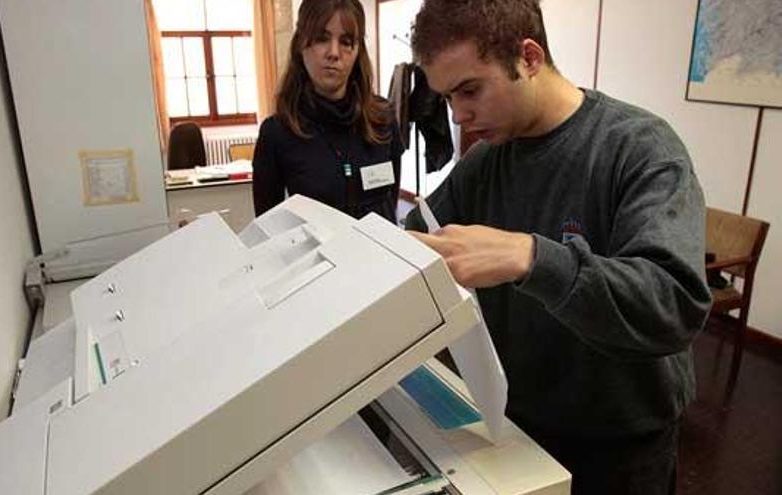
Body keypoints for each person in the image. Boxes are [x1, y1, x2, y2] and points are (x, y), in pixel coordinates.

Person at [404, 1, 711, 494]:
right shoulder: (484, 162)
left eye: (469, 90)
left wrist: (530, 257)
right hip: (518, 427)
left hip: (619, 447)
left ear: (528, 57)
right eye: (447, 98)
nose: (459, 116)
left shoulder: (640, 148)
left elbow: (673, 302)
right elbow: (416, 239)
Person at [252, 0, 403, 223]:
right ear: (301, 45)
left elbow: (391, 202)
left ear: (357, 51)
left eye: (346, 41)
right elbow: (266, 231)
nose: (334, 53)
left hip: (380, 255)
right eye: (322, 39)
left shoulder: (383, 118)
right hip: (315, 258)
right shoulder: (277, 133)